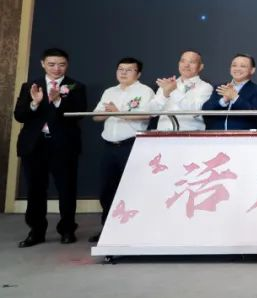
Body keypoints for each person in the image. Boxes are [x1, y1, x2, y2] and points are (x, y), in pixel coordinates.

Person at [13, 48, 87, 247]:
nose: (56, 69)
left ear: (67, 65)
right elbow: (19, 115)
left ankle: (67, 230)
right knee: (35, 190)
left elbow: (79, 113)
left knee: (67, 189)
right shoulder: (30, 85)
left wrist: (58, 101)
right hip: (34, 146)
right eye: (52, 64)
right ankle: (36, 231)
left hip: (63, 145)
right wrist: (34, 104)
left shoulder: (76, 86)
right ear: (42, 64)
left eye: (61, 64)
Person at [91, 57, 154, 242]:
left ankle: (133, 231)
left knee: (132, 189)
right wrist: (107, 113)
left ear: (138, 74)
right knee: (107, 189)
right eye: (120, 69)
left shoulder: (145, 91)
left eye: (129, 70)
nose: (123, 73)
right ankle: (107, 230)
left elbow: (147, 116)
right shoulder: (109, 91)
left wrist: (117, 112)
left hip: (132, 145)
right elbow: (95, 117)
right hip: (109, 146)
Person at [149, 50, 214, 131]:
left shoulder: (205, 87)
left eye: (192, 62)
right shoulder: (167, 84)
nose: (186, 65)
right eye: (183, 61)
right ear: (179, 64)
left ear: (200, 67)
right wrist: (165, 95)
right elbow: (151, 112)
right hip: (162, 134)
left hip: (189, 135)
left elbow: (196, 111)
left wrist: (173, 91)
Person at [200, 54, 257, 131]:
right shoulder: (220, 87)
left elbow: (256, 114)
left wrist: (235, 98)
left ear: (252, 70)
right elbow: (205, 110)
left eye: (243, 66)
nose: (237, 69)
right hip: (216, 134)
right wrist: (223, 101)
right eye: (234, 65)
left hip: (242, 136)